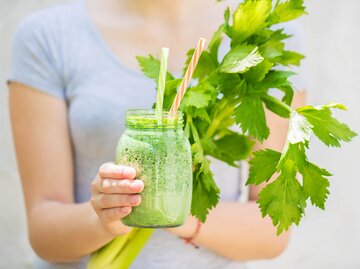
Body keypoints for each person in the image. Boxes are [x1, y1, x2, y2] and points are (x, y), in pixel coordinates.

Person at [8, 0, 307, 268]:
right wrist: (103, 217)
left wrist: (173, 207)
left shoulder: (267, 38)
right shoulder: (47, 36)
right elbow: (43, 231)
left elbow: (273, 226)